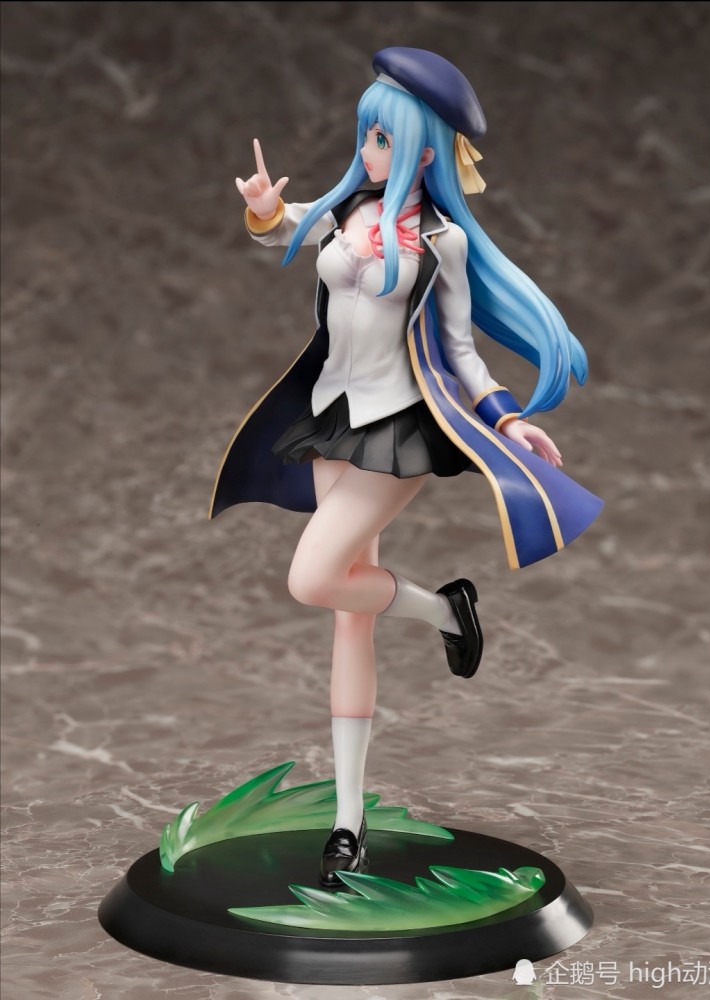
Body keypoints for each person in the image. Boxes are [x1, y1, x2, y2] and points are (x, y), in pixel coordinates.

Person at [209, 48, 603, 886]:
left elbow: (461, 349)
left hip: (398, 430)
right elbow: (282, 225)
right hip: (330, 419)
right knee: (349, 615)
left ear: (426, 151)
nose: (368, 151)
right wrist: (262, 209)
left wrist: (508, 419)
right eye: (366, 135)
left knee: (315, 578)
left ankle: (442, 611)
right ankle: (349, 820)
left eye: (383, 139)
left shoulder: (440, 241)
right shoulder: (345, 209)